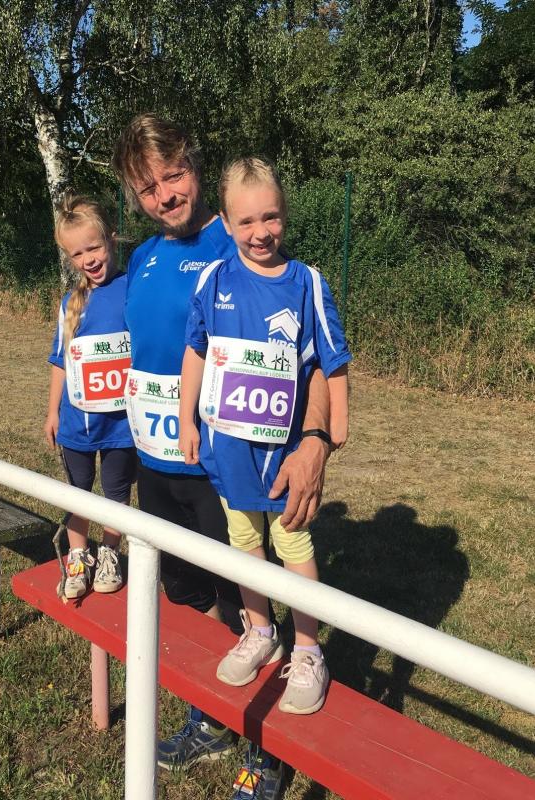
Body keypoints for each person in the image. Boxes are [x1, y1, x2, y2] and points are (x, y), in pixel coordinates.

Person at [113, 115, 333, 797]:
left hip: (224, 466)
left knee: (252, 589)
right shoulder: (143, 256)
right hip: (157, 465)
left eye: (173, 175)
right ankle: (214, 714)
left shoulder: (237, 240)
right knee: (193, 596)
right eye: (148, 188)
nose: (165, 195)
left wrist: (316, 440)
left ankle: (270, 753)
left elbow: (304, 359)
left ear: (196, 166)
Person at [179, 157, 351, 716]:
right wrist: (185, 418)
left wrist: (336, 424)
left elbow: (333, 357)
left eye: (270, 217)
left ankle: (308, 649)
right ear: (227, 222)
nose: (260, 232)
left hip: (284, 453)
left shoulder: (306, 282)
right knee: (243, 541)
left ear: (285, 215)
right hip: (228, 448)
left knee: (292, 542)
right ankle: (260, 630)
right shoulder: (213, 280)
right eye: (247, 221)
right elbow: (196, 350)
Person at [44, 192, 137, 599]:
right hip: (77, 423)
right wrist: (52, 412)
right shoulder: (71, 303)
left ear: (112, 238)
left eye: (94, 247)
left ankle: (110, 552)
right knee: (78, 492)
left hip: (121, 424)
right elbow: (60, 361)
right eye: (77, 254)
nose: (88, 260)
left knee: (116, 493)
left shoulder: (134, 289)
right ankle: (78, 556)